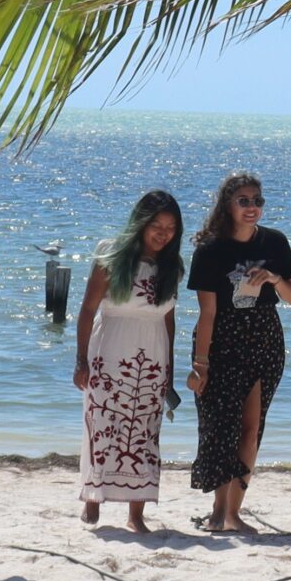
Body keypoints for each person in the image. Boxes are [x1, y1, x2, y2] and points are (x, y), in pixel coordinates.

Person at [185, 171, 291, 533]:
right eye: (244, 201)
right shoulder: (211, 250)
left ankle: (234, 512)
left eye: (258, 201)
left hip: (265, 338)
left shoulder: (275, 243)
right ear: (228, 205)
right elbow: (208, 312)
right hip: (223, 340)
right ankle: (219, 510)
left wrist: (275, 279)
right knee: (221, 427)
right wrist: (200, 363)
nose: (252, 208)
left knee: (251, 430)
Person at [73, 189, 184, 531]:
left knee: (145, 431)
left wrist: (170, 369)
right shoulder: (111, 253)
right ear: (141, 222)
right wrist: (80, 360)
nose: (163, 233)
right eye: (157, 225)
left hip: (153, 354)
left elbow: (169, 318)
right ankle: (93, 498)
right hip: (110, 349)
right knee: (104, 423)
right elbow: (88, 309)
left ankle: (136, 515)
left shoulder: (173, 266)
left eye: (171, 227)